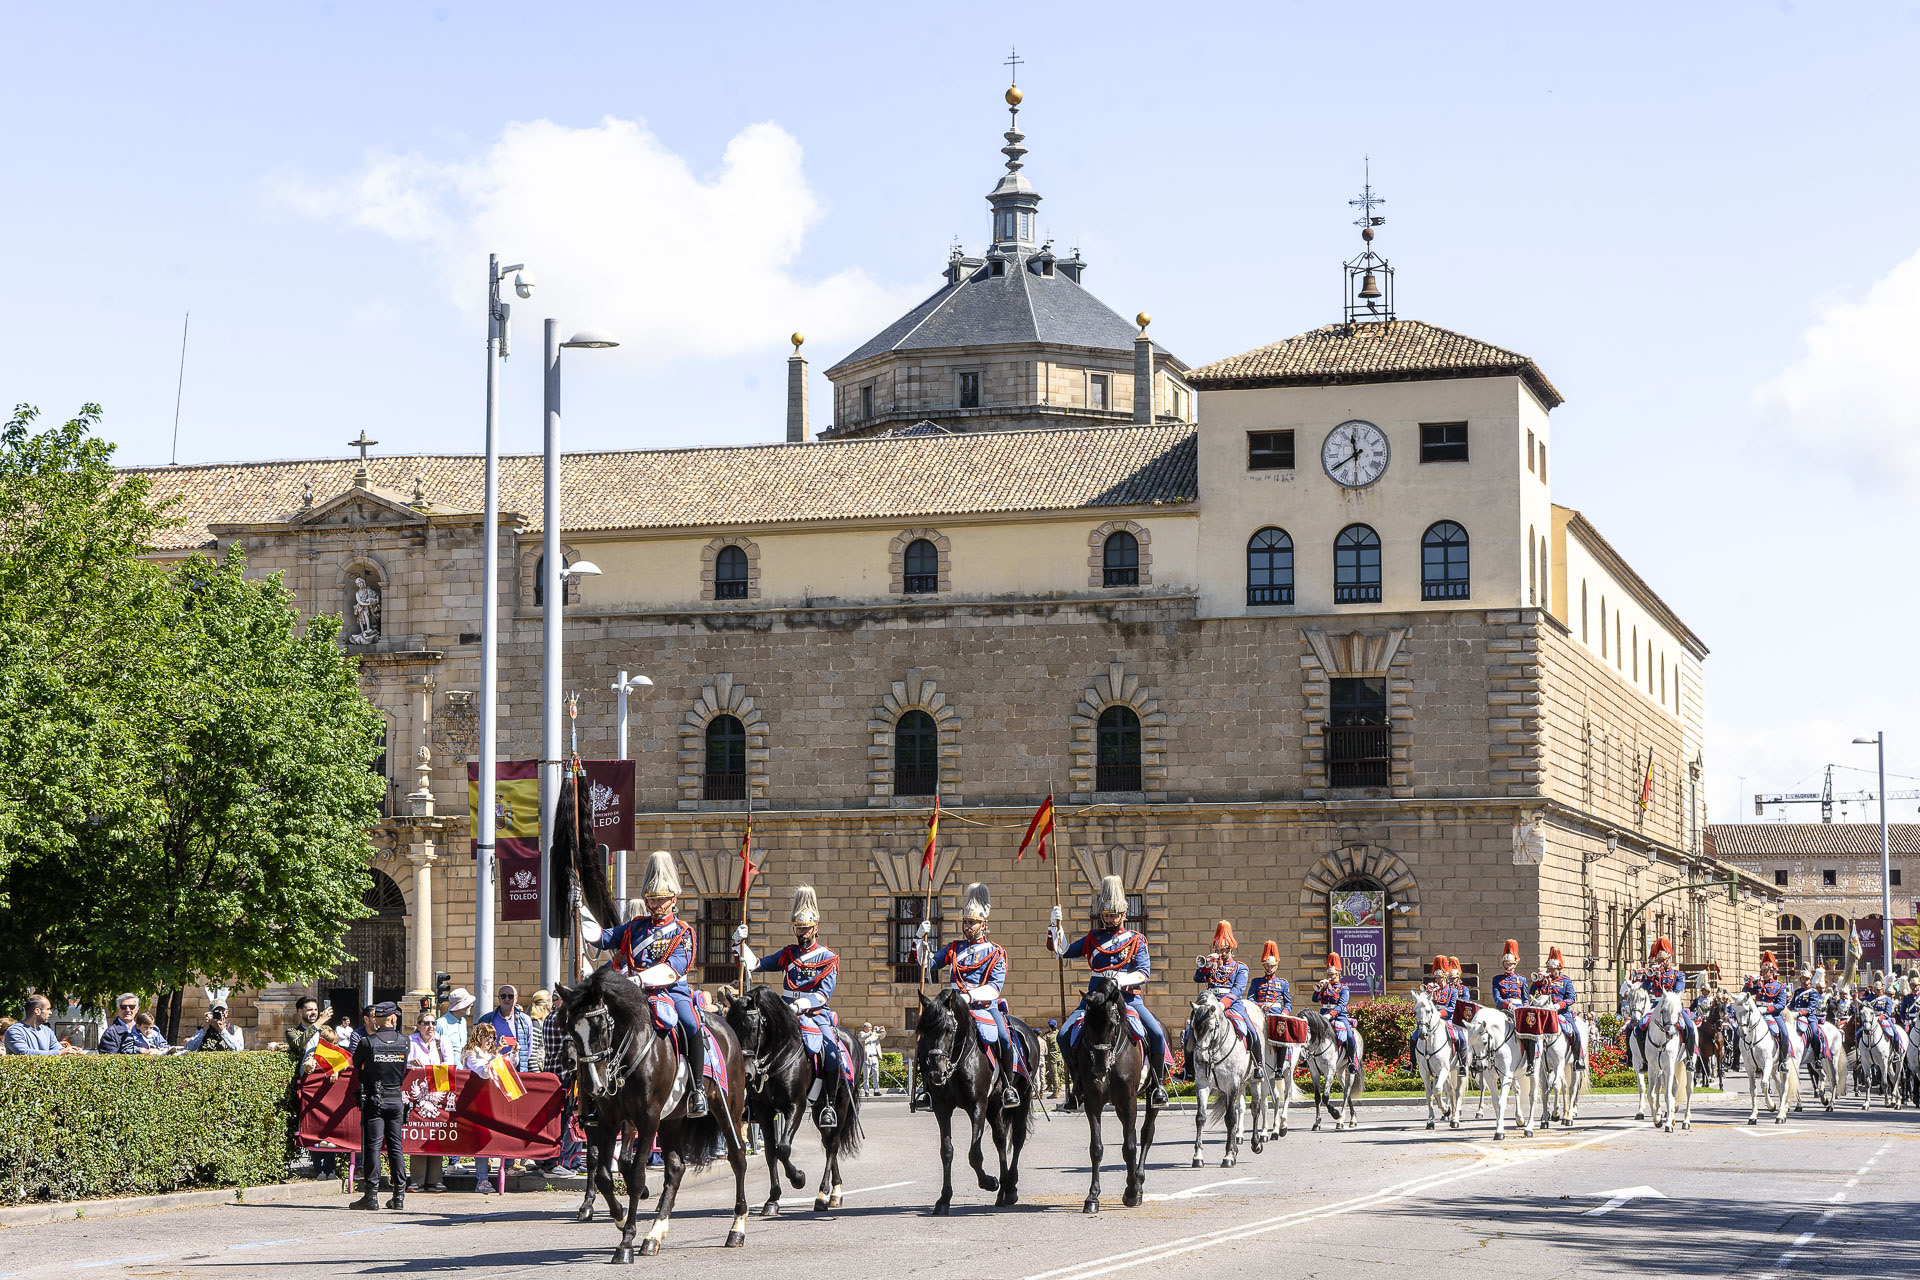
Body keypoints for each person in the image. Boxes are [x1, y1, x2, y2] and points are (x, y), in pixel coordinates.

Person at [581, 851, 707, 1118]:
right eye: (651, 900)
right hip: (634, 994)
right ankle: (597, 1095)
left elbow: (674, 969)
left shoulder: (683, 933)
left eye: (661, 900)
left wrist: (639, 978)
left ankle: (697, 1091)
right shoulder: (635, 927)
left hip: (671, 992)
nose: (656, 905)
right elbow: (601, 938)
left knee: (691, 1023)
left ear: (673, 900)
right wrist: (579, 909)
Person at [1049, 874, 1170, 1107]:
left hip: (1128, 999)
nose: (1109, 919)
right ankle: (1078, 1086)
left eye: (1113, 915)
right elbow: (1063, 951)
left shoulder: (1136, 940)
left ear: (1123, 914)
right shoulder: (1092, 939)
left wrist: (1120, 979)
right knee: (1064, 1036)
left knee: (1155, 1033)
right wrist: (1056, 925)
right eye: (1105, 915)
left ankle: (1158, 1086)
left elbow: (1144, 972)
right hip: (1094, 1001)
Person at [736, 883, 847, 1126]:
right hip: (784, 1013)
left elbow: (823, 994)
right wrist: (740, 943)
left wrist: (801, 1005)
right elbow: (756, 964)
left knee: (830, 1053)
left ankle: (827, 1104)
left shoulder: (828, 958)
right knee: (755, 1046)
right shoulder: (788, 954)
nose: (802, 932)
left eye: (806, 928)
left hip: (816, 1014)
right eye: (798, 928)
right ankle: (751, 1103)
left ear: (815, 928)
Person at [925, 882, 1026, 1108]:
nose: (967, 926)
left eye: (972, 923)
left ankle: (1008, 1086)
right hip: (952, 1006)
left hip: (982, 1006)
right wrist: (920, 942)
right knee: (929, 1037)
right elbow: (928, 965)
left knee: (1003, 1036)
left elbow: (994, 987)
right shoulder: (954, 948)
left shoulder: (995, 952)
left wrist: (968, 997)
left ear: (983, 924)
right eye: (965, 922)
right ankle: (926, 1089)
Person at [350, 1001, 409, 1211]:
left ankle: (371, 1195)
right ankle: (399, 1196)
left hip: (374, 1098)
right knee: (396, 1147)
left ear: (378, 1019)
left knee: (373, 1146)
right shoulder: (404, 1042)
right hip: (395, 1098)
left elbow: (356, 1064)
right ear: (393, 1019)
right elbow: (404, 1070)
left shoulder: (368, 1042)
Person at [1187, 920, 1263, 1075]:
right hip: (1209, 1003)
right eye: (1218, 949)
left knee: (1251, 1030)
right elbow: (1197, 978)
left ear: (1230, 949)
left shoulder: (1240, 967)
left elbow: (1238, 989)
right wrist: (1207, 965)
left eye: (1224, 950)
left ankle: (1258, 1066)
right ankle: (1187, 1069)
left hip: (1231, 1004)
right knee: (1190, 1030)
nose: (1221, 953)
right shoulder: (1211, 965)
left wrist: (1223, 1004)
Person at [463, 1023, 504, 1193]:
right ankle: (482, 1179)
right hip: (475, 1102)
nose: (490, 1040)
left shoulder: (489, 1053)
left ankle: (506, 1167)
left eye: (492, 1037)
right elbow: (484, 1071)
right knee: (480, 1139)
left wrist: (512, 1054)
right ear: (478, 1036)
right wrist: (497, 1057)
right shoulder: (471, 1053)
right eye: (486, 1036)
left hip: (492, 1101)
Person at [1529, 948, 1585, 1068]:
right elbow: (1532, 993)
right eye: (1548, 968)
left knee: (1575, 1032)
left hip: (1561, 1013)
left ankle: (1578, 1059)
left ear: (1558, 969)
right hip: (1543, 1013)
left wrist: (1558, 1005)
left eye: (1552, 969)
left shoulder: (1565, 981)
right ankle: (1531, 1061)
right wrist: (1538, 983)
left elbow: (1571, 998)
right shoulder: (1543, 980)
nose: (1549, 971)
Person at [1313, 953, 1357, 1062]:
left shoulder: (1343, 988)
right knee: (1312, 1033)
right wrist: (1319, 989)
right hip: (1323, 1015)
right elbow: (1314, 999)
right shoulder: (1324, 987)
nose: (1330, 977)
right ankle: (1308, 1060)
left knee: (1350, 1037)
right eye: (1329, 974)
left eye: (1333, 975)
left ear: (1338, 974)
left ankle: (1352, 1062)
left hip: (1339, 1016)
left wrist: (1331, 1014)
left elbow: (1342, 1005)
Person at [479, 985, 534, 1073]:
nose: (507, 999)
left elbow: (529, 1047)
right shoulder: (486, 1020)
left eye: (510, 996)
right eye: (503, 996)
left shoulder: (525, 1020)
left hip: (517, 1071)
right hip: (492, 1070)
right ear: (499, 998)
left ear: (516, 999)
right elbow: (478, 1046)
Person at [1751, 950, 1792, 1059]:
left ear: (1772, 972)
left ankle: (1783, 1060)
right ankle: (1736, 1060)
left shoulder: (1779, 986)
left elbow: (1781, 1004)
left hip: (1773, 1014)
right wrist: (1750, 984)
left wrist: (1768, 1009)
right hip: (1757, 1014)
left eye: (1766, 971)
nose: (1763, 973)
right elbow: (1746, 993)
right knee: (1739, 1031)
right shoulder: (1758, 984)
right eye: (1762, 971)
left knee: (1785, 1034)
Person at [6, 996, 81, 1055]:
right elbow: (25, 1053)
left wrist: (73, 1051)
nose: (50, 1013)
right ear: (37, 1011)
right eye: (48, 1009)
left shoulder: (47, 1031)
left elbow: (57, 1048)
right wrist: (60, 1053)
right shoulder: (15, 1031)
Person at [285, 996, 326, 1075]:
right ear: (300, 1012)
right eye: (310, 1010)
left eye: (316, 1010)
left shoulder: (325, 1029)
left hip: (325, 1074)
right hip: (306, 1075)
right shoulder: (292, 1032)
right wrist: (318, 1024)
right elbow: (298, 1044)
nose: (314, 1013)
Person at [1249, 941, 1291, 1015]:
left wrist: (1284, 1013)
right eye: (1268, 966)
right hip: (1258, 1013)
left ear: (1276, 966)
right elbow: (1250, 999)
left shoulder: (1283, 983)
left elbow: (1288, 1003)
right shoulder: (1256, 982)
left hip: (1276, 1014)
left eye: (1272, 966)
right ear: (1264, 966)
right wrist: (1261, 1006)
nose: (1270, 968)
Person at [1490, 940, 1527, 1015]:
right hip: (1504, 1009)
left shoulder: (1522, 979)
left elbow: (1525, 999)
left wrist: (1525, 1007)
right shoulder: (1497, 979)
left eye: (1510, 964)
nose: (1508, 966)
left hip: (1519, 1009)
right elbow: (1497, 998)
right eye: (1506, 964)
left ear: (1514, 964)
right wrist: (1508, 1005)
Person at [436, 988, 473, 1059]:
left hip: (462, 1067)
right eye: (468, 1003)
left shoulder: (463, 1021)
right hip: (446, 1069)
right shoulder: (440, 1024)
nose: (471, 1005)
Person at [525, 991, 551, 1072]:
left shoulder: (541, 1022)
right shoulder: (535, 1023)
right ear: (546, 1004)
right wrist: (537, 1075)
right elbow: (532, 1053)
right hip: (538, 1070)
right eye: (551, 1002)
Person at [1041, 1019, 1065, 1098]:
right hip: (1059, 1057)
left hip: (1052, 1058)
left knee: (1054, 1074)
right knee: (1059, 1073)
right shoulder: (1059, 1033)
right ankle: (1058, 1087)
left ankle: (1055, 1092)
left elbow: (1044, 1044)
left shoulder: (1048, 1036)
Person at [858, 1023, 883, 1097]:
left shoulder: (874, 1035)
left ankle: (876, 1090)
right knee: (866, 1075)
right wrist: (872, 1032)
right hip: (867, 1057)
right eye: (869, 1027)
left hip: (874, 1057)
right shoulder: (861, 1033)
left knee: (876, 1074)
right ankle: (866, 1091)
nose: (871, 1029)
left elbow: (882, 1036)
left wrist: (882, 1031)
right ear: (865, 1028)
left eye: (871, 1027)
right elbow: (862, 1038)